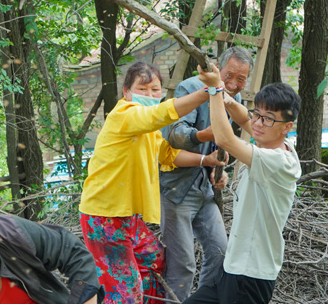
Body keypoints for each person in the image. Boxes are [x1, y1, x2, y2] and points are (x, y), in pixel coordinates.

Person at [79, 61, 227, 304]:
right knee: (126, 292)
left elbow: (169, 155)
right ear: (125, 92)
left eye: (155, 90)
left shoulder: (149, 128)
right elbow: (157, 114)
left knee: (154, 260)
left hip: (128, 216)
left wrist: (205, 159)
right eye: (143, 89)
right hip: (103, 216)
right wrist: (208, 91)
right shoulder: (123, 116)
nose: (149, 95)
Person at [182, 64, 301, 304]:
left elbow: (224, 137)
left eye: (268, 119)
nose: (257, 122)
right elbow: (241, 115)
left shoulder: (277, 160)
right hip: (233, 267)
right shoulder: (271, 141)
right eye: (257, 113)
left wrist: (216, 90)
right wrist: (223, 95)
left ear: (287, 127)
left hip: (251, 274)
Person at [159, 46, 253, 300]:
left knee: (221, 254)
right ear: (217, 70)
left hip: (205, 189)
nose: (233, 83)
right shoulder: (191, 88)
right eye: (229, 75)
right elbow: (174, 135)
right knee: (183, 265)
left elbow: (220, 147)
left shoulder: (236, 101)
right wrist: (205, 136)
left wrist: (217, 170)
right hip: (176, 188)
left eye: (241, 79)